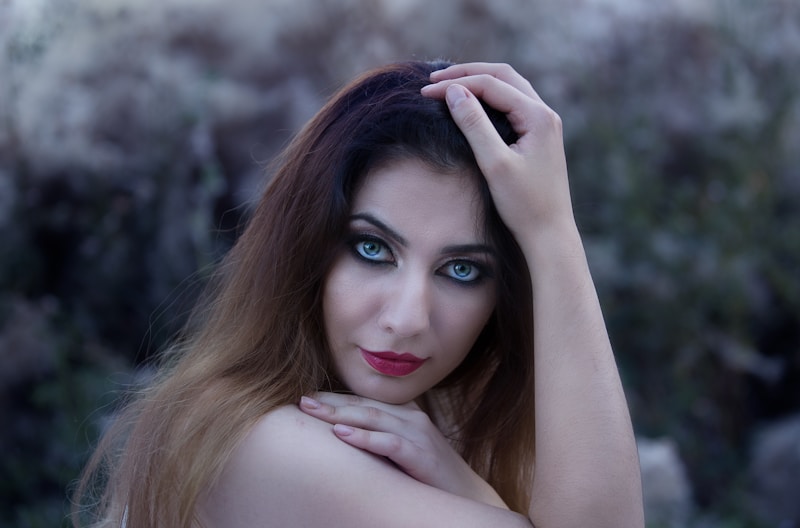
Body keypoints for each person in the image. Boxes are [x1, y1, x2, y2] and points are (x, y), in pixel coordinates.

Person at [72, 60, 644, 527]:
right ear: (306, 250)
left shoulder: (429, 432)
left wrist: (467, 485)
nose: (406, 318)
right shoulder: (272, 449)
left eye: (463, 270)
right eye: (373, 249)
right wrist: (551, 232)